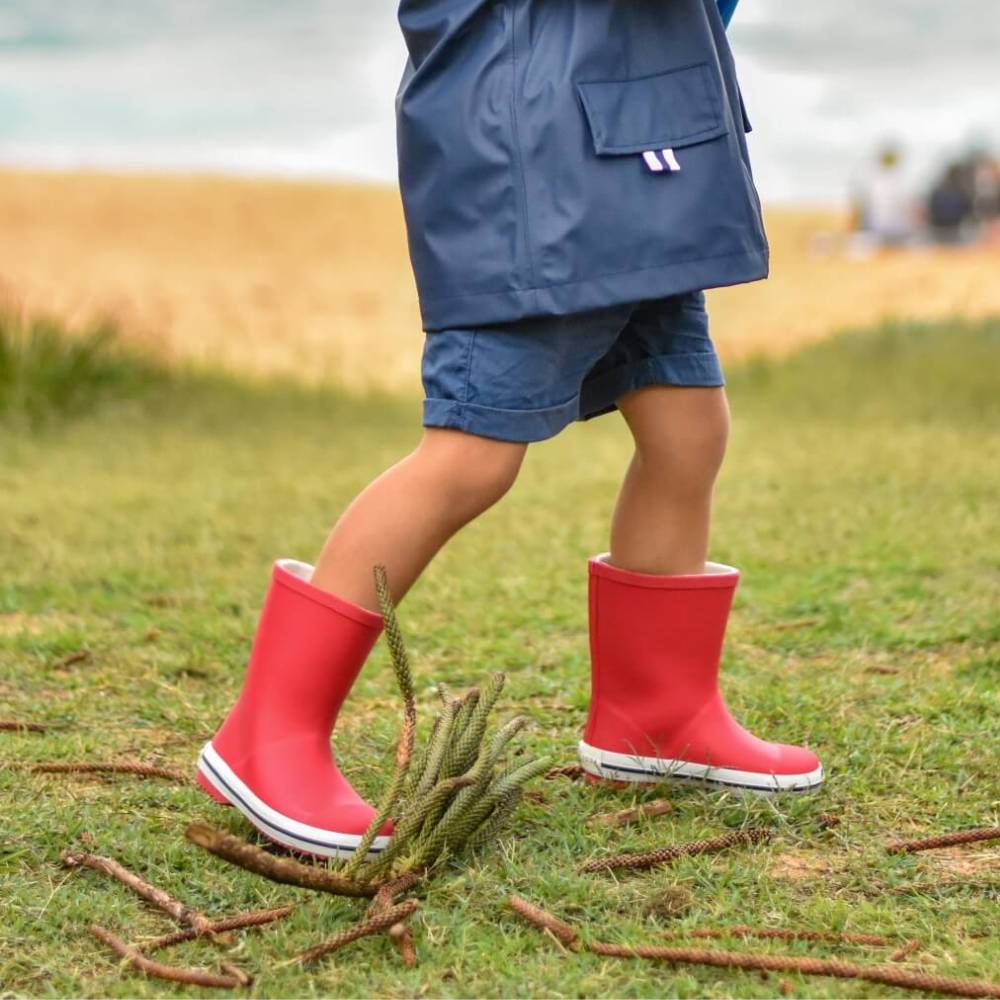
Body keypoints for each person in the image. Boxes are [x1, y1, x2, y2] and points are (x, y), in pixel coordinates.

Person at [195, 0, 823, 858]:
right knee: (470, 456)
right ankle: (268, 735)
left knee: (686, 427)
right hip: (536, 158)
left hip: (627, 140)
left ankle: (658, 717)